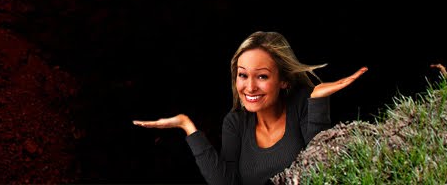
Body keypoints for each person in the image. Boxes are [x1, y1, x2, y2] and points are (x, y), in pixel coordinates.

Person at [134, 31, 367, 185]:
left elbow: (322, 166)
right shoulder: (235, 122)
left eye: (262, 76)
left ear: (284, 80)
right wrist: (187, 126)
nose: (250, 87)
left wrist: (317, 101)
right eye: (243, 75)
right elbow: (227, 182)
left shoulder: (301, 105)